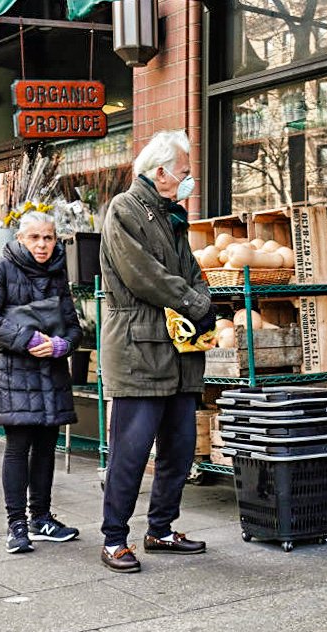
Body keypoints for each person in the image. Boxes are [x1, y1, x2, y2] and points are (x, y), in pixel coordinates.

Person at [98, 130, 214, 573]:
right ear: (161, 172)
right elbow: (142, 275)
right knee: (131, 449)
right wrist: (194, 303)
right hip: (139, 348)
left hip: (177, 351)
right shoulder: (126, 209)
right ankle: (114, 538)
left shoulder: (170, 215)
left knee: (180, 448)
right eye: (184, 172)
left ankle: (161, 528)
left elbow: (192, 271)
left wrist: (200, 301)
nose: (188, 180)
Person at [0, 211, 83, 553]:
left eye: (48, 238)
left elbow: (73, 325)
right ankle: (16, 525)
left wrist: (64, 344)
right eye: (34, 237)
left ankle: (42, 518)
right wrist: (28, 339)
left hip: (50, 372)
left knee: (47, 448)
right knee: (19, 447)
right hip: (12, 373)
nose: (42, 244)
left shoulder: (57, 272)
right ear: (20, 239)